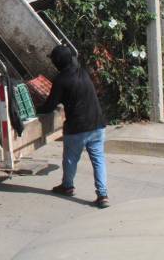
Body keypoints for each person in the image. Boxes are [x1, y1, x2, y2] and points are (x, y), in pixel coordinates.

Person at [37, 45, 109, 208]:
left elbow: (49, 107)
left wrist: (35, 109)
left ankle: (67, 186)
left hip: (77, 128)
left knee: (70, 160)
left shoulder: (61, 80)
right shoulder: (83, 72)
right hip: (97, 125)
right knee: (98, 161)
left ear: (57, 62)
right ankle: (103, 195)